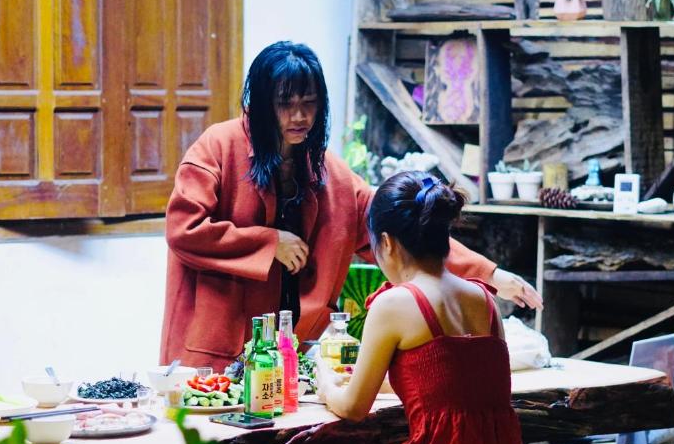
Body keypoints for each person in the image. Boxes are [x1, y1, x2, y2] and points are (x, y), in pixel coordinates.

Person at [162, 41, 541, 370]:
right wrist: (269, 242)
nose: (299, 116)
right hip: (216, 346)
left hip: (290, 349)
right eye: (285, 104)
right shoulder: (217, 147)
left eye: (309, 103)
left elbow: (405, 227)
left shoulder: (332, 175)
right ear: (261, 104)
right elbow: (184, 230)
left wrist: (491, 275)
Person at [317, 171, 530, 444]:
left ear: (386, 243)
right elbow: (453, 382)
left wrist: (325, 382)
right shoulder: (484, 300)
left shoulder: (396, 303)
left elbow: (352, 408)